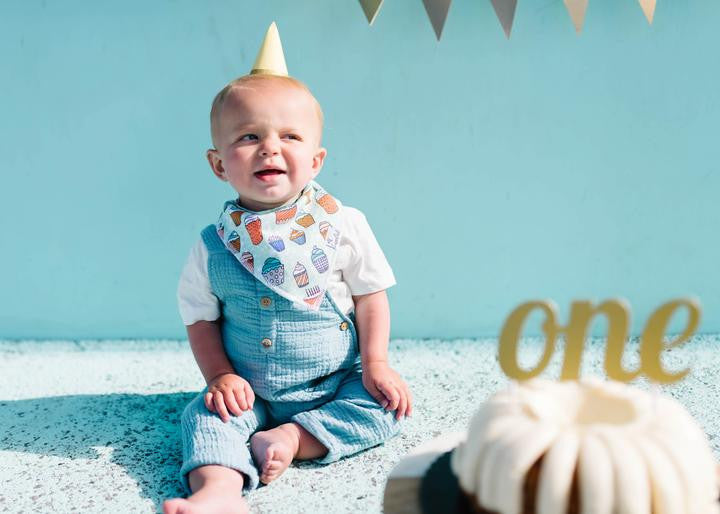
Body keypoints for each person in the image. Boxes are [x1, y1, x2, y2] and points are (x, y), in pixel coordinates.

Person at [163, 23, 412, 514]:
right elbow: (200, 318)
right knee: (204, 417)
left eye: (290, 136)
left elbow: (370, 296)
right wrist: (218, 376)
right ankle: (218, 490)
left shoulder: (342, 225)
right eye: (249, 136)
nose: (270, 148)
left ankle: (294, 439)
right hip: (247, 389)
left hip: (334, 381)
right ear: (218, 165)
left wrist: (377, 364)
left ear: (316, 160)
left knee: (385, 407)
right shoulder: (212, 245)